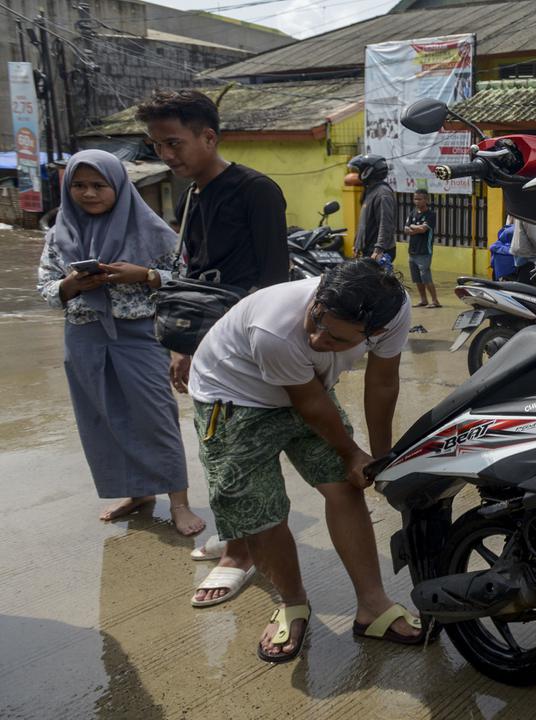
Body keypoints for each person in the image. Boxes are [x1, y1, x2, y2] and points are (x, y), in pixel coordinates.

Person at [187, 260, 422, 662]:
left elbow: (382, 382)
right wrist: (351, 451)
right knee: (260, 512)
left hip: (307, 384)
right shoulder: (275, 328)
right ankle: (293, 602)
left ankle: (373, 605)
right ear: (318, 297)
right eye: (317, 320)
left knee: (346, 487)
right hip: (231, 397)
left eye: (335, 338)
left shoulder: (393, 313)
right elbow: (310, 403)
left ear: (375, 333)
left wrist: (380, 460)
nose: (316, 337)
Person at [137, 88, 289, 606]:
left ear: (209, 135)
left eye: (174, 143)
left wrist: (248, 352)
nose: (166, 155)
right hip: (207, 345)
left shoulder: (255, 191)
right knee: (216, 448)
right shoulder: (192, 196)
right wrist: (184, 347)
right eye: (158, 146)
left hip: (245, 347)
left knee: (237, 453)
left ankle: (241, 555)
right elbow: (192, 283)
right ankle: (240, 538)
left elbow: (274, 283)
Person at [36, 150, 204, 537]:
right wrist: (71, 285)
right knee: (103, 419)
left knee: (155, 417)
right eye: (79, 185)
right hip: (83, 337)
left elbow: (183, 280)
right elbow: (44, 287)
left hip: (139, 336)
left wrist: (143, 274)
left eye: (99, 185)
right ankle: (137, 494)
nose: (88, 193)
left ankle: (179, 503)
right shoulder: (59, 233)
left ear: (119, 187)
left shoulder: (152, 230)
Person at [349, 154, 396, 272]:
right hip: (369, 250)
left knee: (378, 287)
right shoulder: (370, 191)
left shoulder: (382, 193)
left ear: (368, 171)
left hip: (377, 252)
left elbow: (386, 224)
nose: (358, 174)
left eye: (360, 170)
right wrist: (357, 244)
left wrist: (378, 250)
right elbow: (363, 223)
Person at [404, 189, 440, 307]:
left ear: (426, 200)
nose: (417, 201)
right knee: (417, 279)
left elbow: (423, 229)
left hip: (424, 251)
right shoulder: (412, 213)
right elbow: (406, 230)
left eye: (420, 199)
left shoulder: (431, 215)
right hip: (412, 251)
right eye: (415, 199)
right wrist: (415, 228)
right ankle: (423, 300)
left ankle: (435, 301)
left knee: (426, 276)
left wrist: (413, 227)